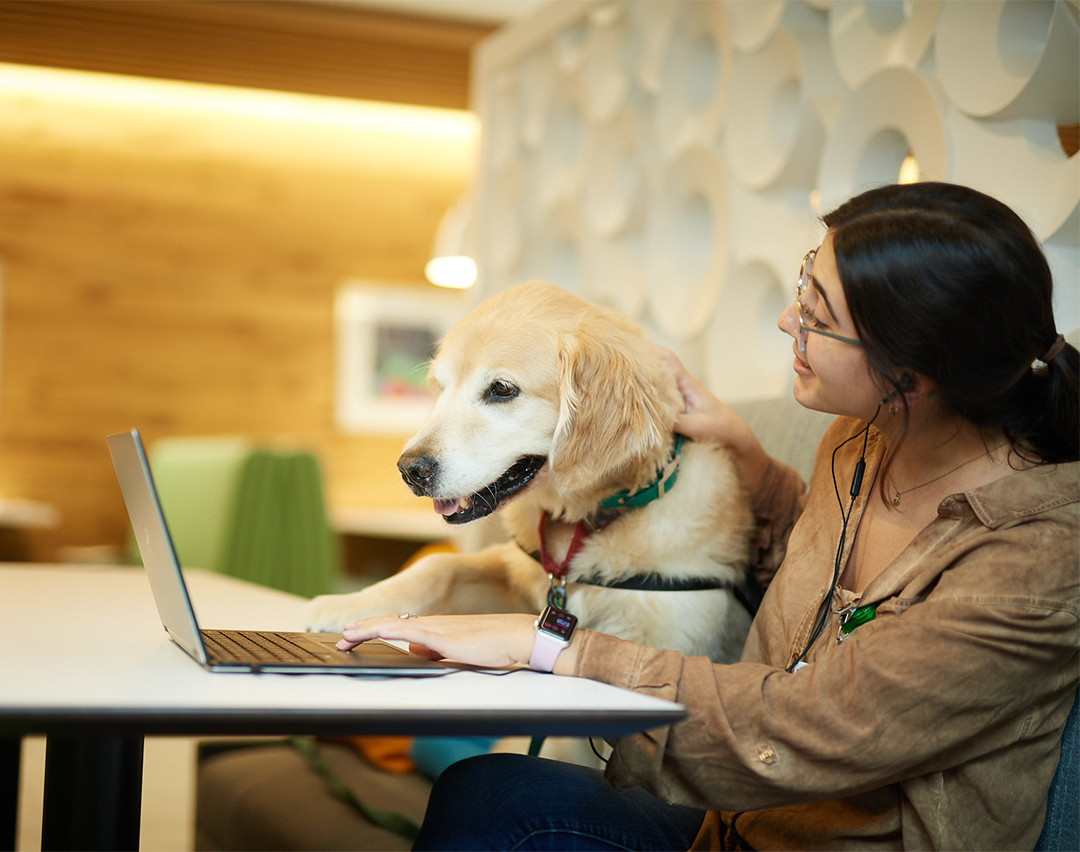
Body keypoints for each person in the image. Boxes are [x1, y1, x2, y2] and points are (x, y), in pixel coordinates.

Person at [336, 182, 1079, 851]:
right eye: (803, 284)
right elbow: (830, 576)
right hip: (731, 826)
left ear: (908, 377)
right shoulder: (858, 443)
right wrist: (749, 459)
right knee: (488, 788)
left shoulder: (1040, 555)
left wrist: (549, 646)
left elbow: (814, 725)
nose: (790, 319)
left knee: (500, 805)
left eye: (818, 316)